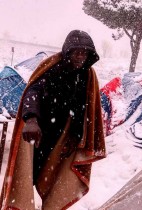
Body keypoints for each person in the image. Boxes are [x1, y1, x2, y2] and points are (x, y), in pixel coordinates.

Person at [0, 30, 106, 210]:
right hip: (39, 134)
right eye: (77, 51)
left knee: (56, 179)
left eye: (84, 52)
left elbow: (83, 108)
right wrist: (31, 119)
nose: (81, 56)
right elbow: (33, 92)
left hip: (61, 138)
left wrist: (76, 135)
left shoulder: (87, 76)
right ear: (68, 51)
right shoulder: (53, 68)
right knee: (28, 175)